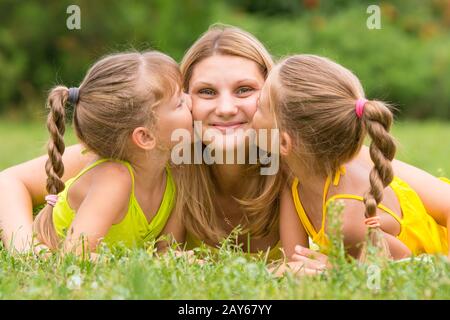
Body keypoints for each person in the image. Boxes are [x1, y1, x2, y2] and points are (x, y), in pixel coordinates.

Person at [252, 54, 450, 262]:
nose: (252, 106)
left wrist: (335, 270)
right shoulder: (293, 176)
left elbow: (404, 269)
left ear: (284, 143)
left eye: (260, 106)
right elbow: (296, 260)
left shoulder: (350, 218)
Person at [7, 50, 193, 256]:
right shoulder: (114, 178)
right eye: (179, 103)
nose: (192, 101)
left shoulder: (175, 174)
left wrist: (178, 259)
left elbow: (164, 253)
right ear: (146, 137)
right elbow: (76, 257)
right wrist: (25, 249)